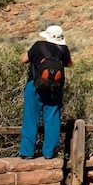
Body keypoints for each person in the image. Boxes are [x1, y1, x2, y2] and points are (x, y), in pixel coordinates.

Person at [20, 25, 72, 159]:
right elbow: (69, 64)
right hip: (55, 89)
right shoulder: (63, 49)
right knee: (53, 119)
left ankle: (27, 152)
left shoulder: (38, 46)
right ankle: (49, 153)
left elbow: (24, 59)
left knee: (31, 118)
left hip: (34, 86)